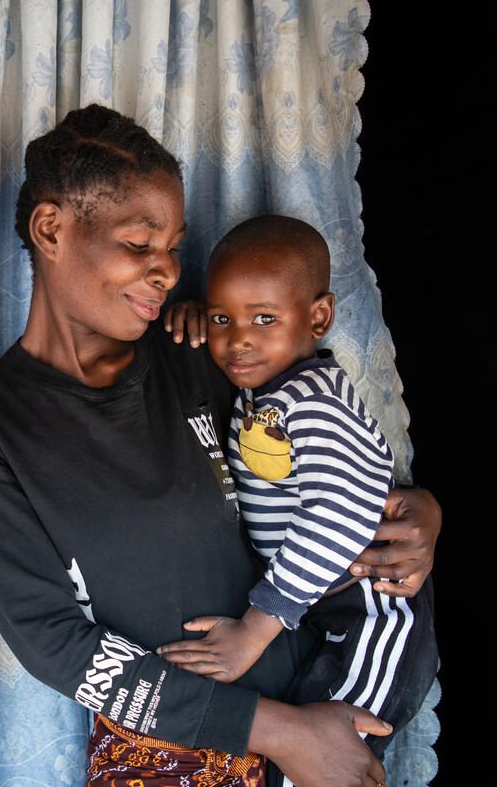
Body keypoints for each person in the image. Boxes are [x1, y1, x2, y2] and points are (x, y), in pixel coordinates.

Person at [0, 104, 440, 787]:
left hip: (326, 705)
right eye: (140, 244)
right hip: (169, 751)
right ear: (51, 228)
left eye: (173, 247)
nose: (167, 270)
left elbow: (322, 464)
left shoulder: (202, 353)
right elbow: (55, 644)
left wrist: (418, 511)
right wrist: (281, 733)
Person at [155, 217, 438, 772]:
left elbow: (338, 513)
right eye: (222, 319)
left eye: (265, 318)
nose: (239, 339)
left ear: (318, 318)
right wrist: (193, 320)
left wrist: (256, 629)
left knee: (335, 759)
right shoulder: (266, 391)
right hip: (322, 609)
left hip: (370, 614)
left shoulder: (309, 401)